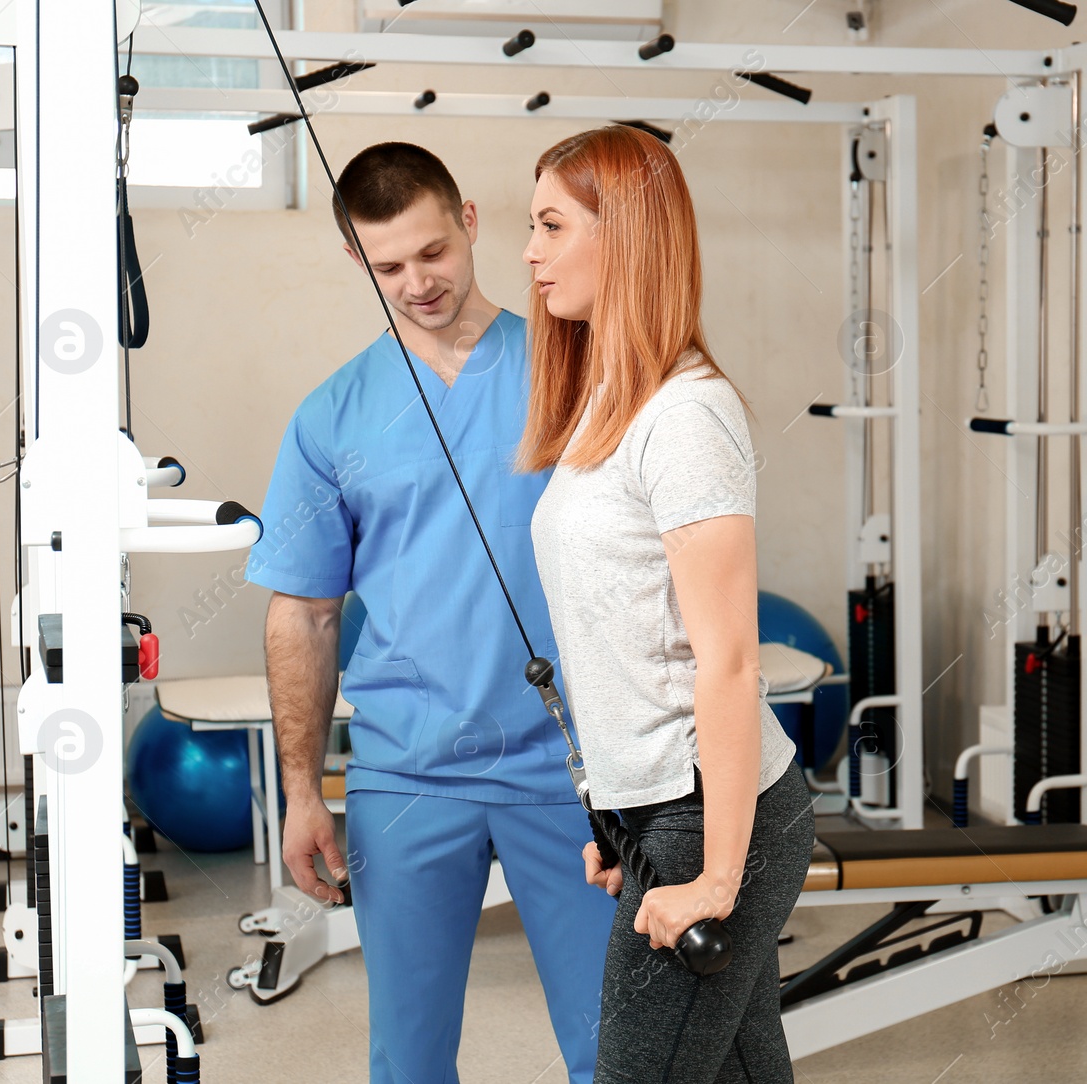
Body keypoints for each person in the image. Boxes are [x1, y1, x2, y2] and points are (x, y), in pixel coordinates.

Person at [246, 141, 615, 1084]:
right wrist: (300, 793)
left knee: (618, 1052)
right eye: (389, 266)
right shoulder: (332, 415)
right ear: (357, 263)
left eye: (433, 252)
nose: (419, 282)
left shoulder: (575, 366)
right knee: (408, 1061)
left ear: (471, 225)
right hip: (408, 773)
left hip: (574, 765)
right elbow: (305, 616)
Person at [520, 125, 816, 1083]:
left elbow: (728, 662)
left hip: (716, 821)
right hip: (658, 818)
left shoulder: (686, 417)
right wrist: (623, 820)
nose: (529, 253)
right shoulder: (611, 400)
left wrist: (716, 877)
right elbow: (629, 640)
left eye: (553, 225)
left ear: (627, 237)